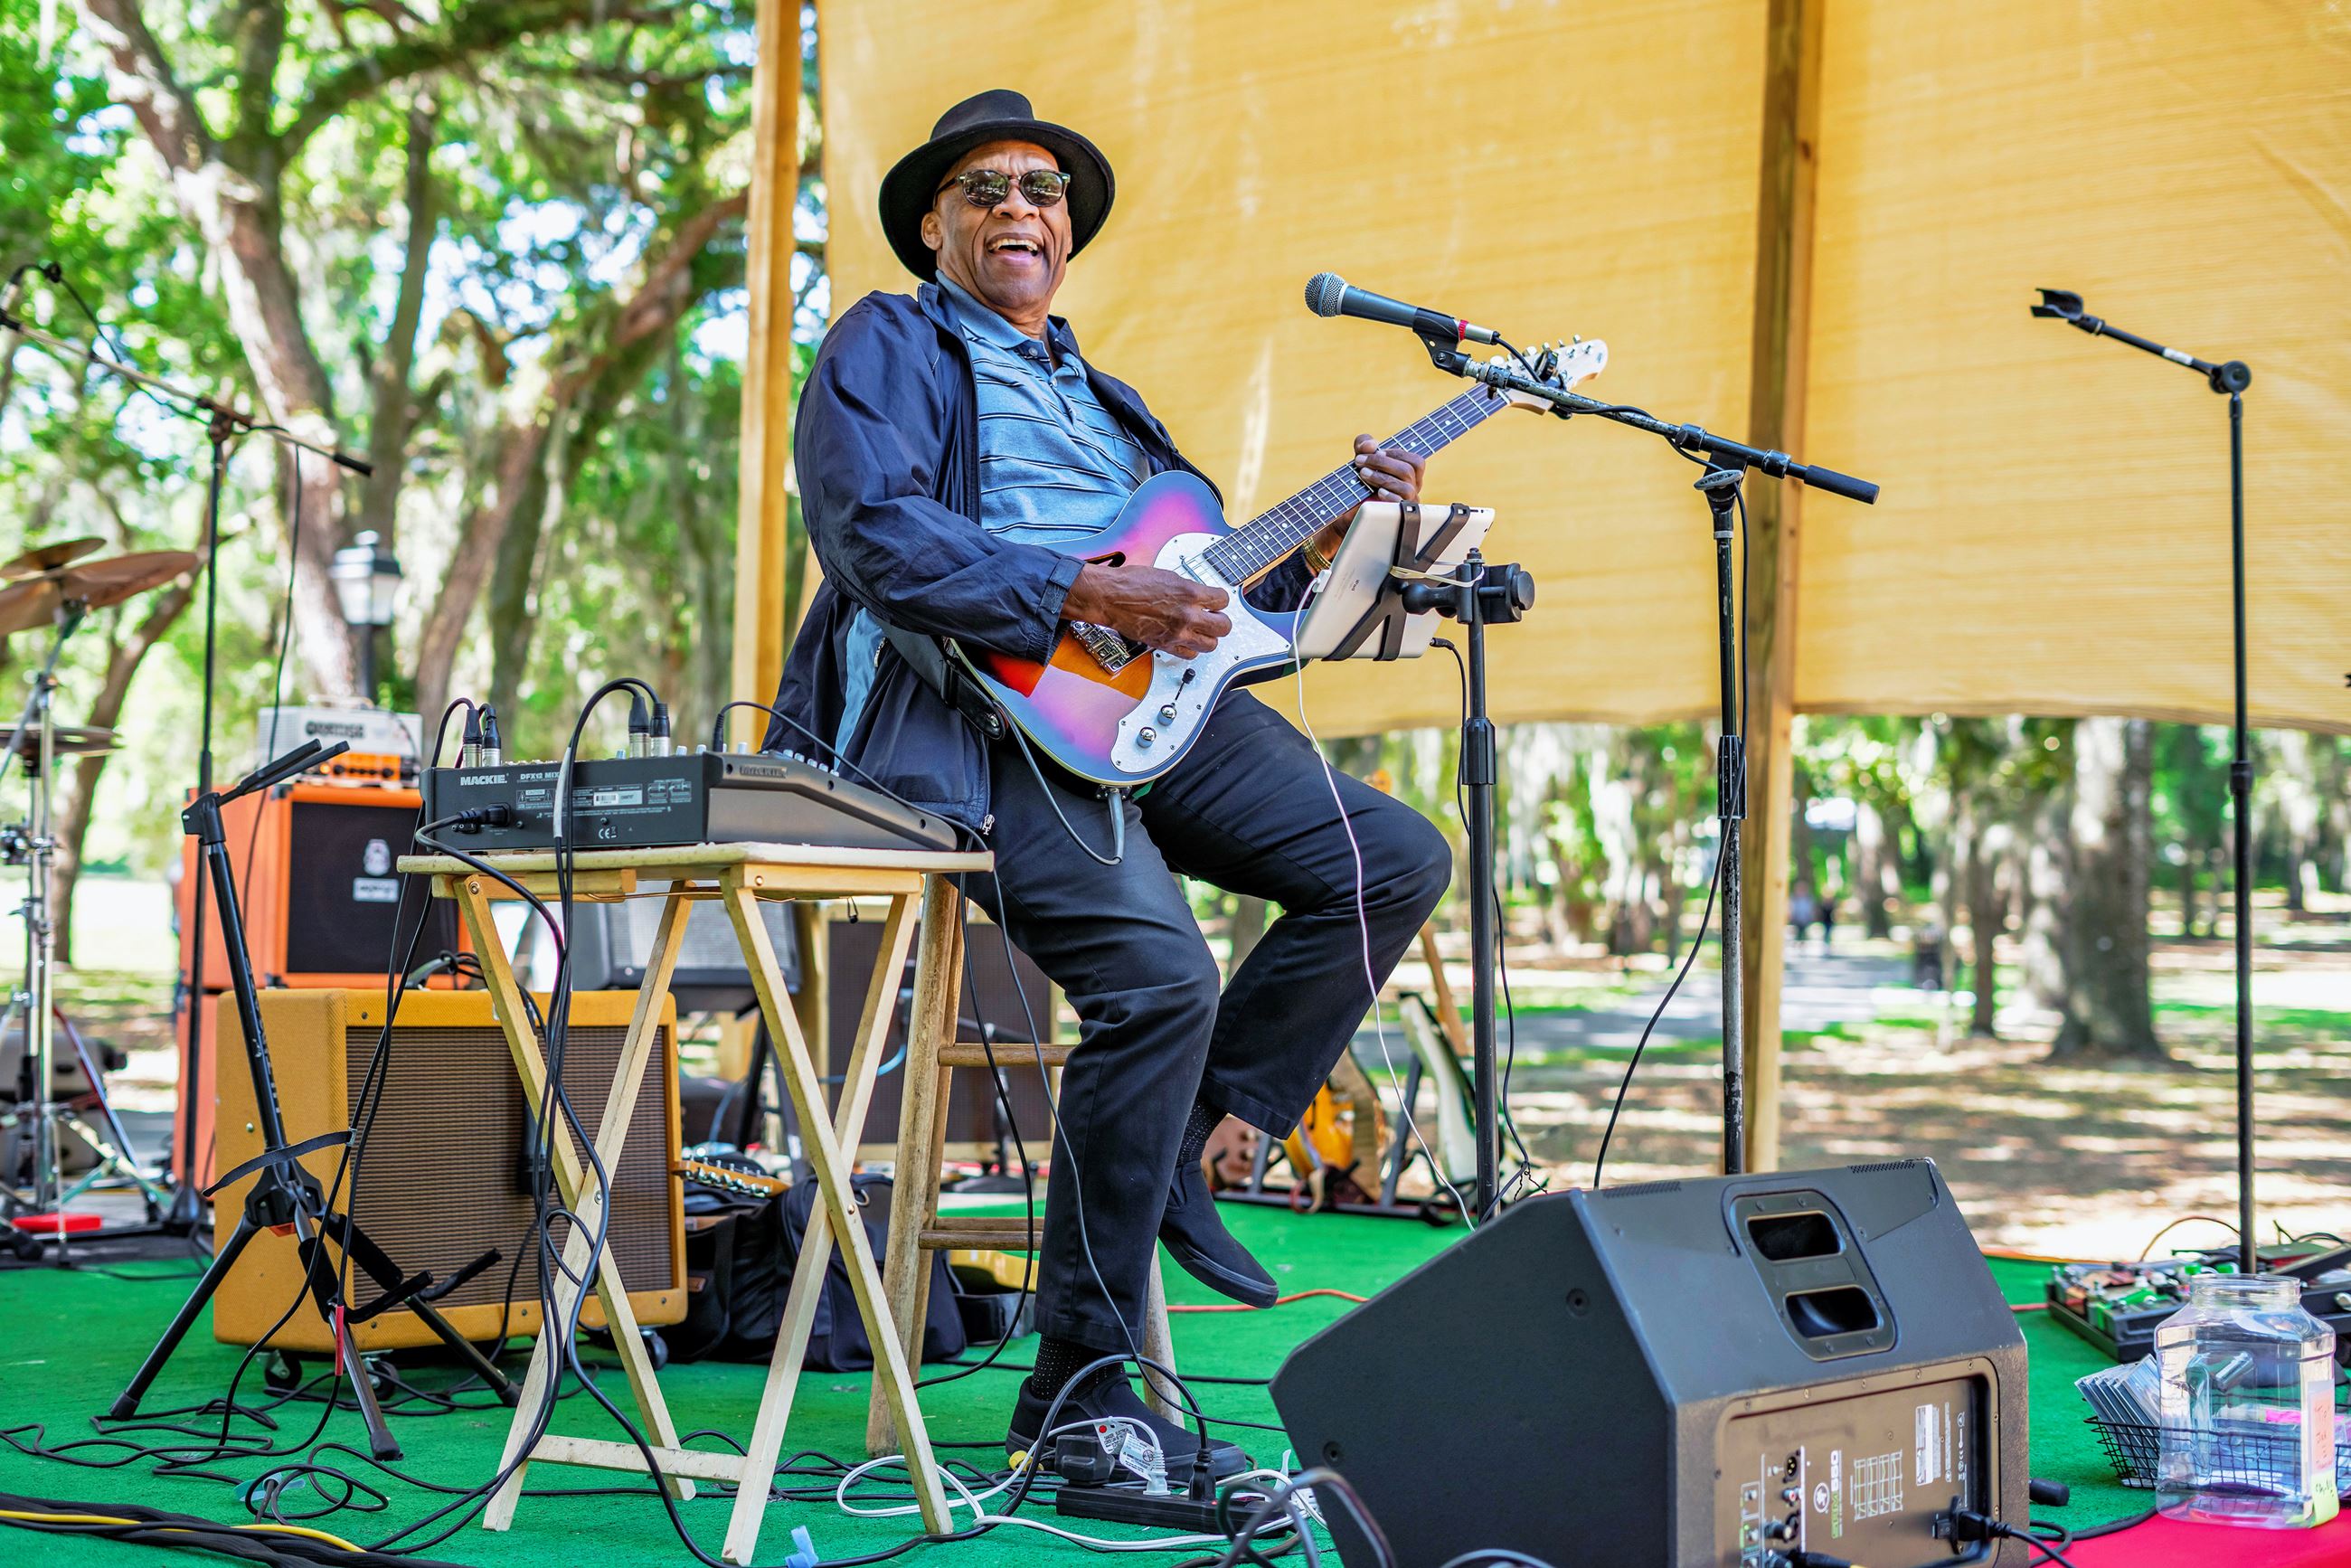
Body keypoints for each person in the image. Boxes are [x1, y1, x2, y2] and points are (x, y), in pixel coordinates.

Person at [767, 90, 1451, 1475]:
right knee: (1163, 980)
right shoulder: (887, 343)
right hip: (980, 706)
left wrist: (1328, 553)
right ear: (935, 227)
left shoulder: (1103, 393)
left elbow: (1198, 579)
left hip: (1152, 702)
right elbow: (872, 531)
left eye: (1044, 190)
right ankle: (1081, 1393)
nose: (1023, 207)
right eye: (987, 190)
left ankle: (1197, 1131)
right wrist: (1079, 590)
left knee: (1390, 858)